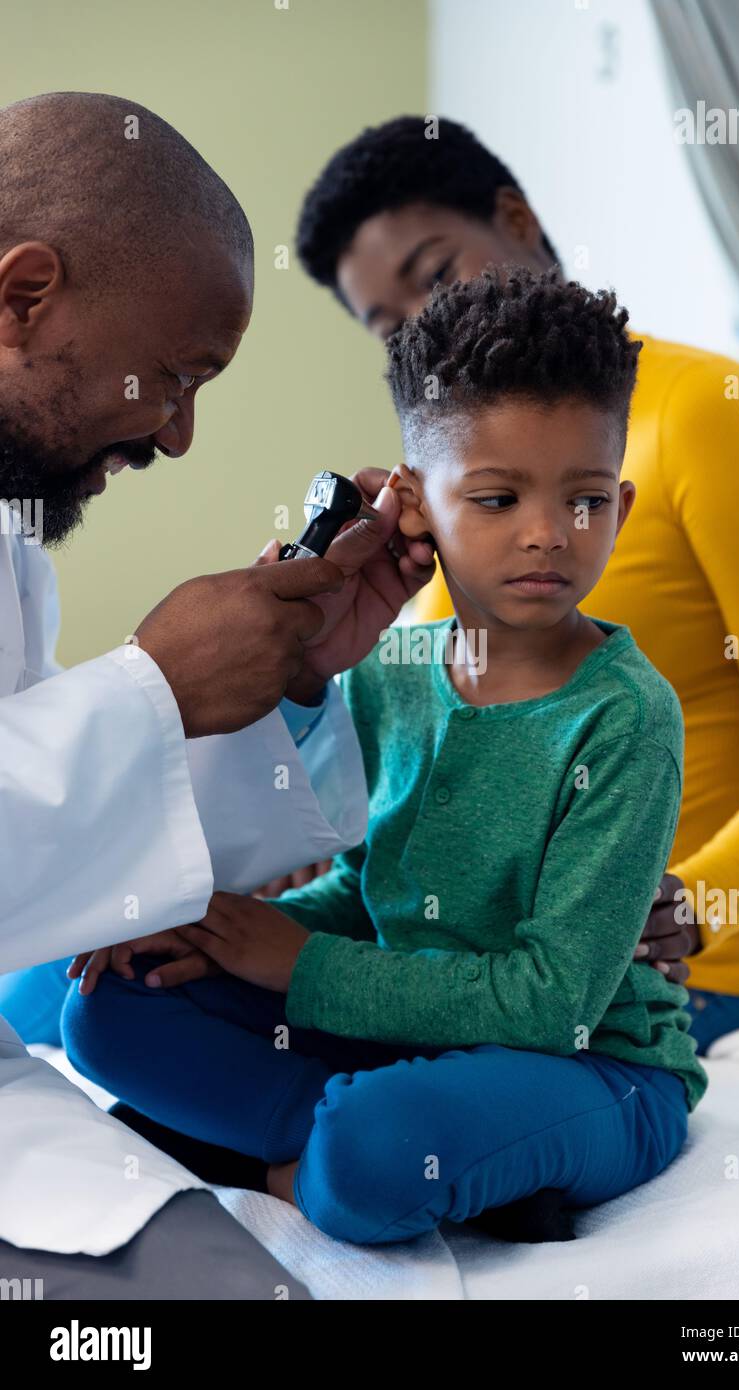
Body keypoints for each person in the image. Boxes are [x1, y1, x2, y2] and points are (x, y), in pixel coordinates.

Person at [62, 270, 707, 1248]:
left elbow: (553, 1002)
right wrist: (231, 930)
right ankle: (356, 1156)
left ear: (618, 502)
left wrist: (302, 967)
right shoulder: (389, 675)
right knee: (109, 1008)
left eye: (583, 501)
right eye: (495, 498)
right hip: (407, 1030)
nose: (546, 533)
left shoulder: (627, 720)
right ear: (413, 504)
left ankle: (314, 1152)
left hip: (589, 1064)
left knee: (379, 1143)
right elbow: (367, 895)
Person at [293, 115, 739, 1053]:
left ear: (516, 220)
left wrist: (686, 910)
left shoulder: (707, 414)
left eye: (434, 276)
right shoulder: (442, 490)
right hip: (472, 964)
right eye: (386, 325)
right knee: (86, 989)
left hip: (669, 981)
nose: (421, 324)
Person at [0, 91, 433, 1298]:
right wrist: (156, 689)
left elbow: (58, 822)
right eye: (175, 374)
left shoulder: (8, 540)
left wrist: (279, 686)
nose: (179, 435)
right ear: (22, 297)